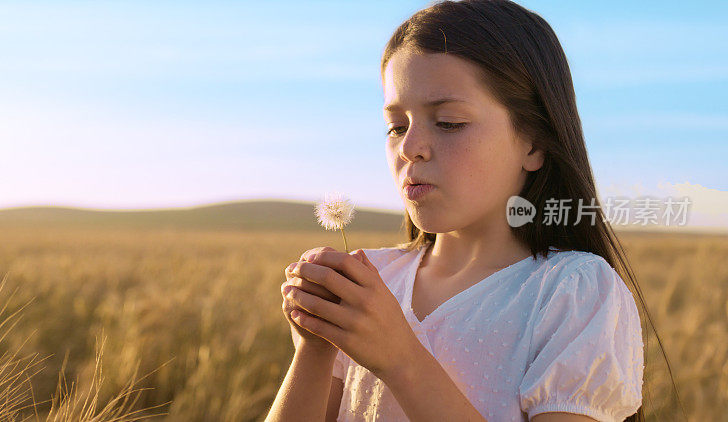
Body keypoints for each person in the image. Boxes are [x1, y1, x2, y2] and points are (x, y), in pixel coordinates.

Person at [266, 0, 680, 420]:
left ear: (533, 143)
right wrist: (313, 350)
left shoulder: (572, 293)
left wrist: (401, 359)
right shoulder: (369, 281)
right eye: (397, 126)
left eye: (448, 122)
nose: (409, 148)